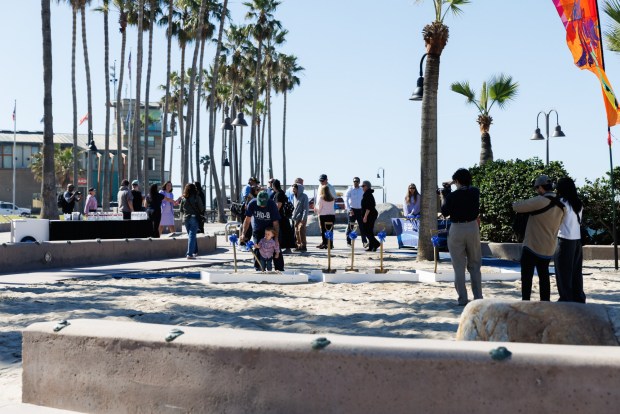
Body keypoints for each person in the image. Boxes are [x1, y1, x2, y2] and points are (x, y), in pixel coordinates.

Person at [513, 175, 565, 301]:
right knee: (544, 276)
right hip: (549, 247)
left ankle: (526, 302)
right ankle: (545, 302)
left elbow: (517, 206)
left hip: (532, 245)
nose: (537, 190)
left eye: (537, 187)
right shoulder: (562, 205)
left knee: (527, 277)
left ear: (541, 187)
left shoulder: (539, 201)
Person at [440, 168, 483, 306]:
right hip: (472, 227)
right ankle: (478, 297)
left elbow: (445, 212)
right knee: (475, 265)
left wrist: (444, 194)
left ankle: (463, 299)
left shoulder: (452, 196)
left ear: (457, 181)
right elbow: (467, 188)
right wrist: (454, 182)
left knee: (458, 267)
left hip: (457, 228)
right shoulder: (475, 192)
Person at [553, 177, 586, 303]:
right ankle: (579, 298)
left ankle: (566, 299)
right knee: (576, 272)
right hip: (577, 241)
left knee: (563, 273)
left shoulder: (561, 203)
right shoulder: (578, 203)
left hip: (564, 240)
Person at [240, 191, 283, 270]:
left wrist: (276, 238)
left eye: (264, 204)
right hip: (258, 228)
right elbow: (247, 220)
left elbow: (276, 223)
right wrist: (243, 234)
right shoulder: (252, 203)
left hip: (270, 228)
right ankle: (258, 268)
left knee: (276, 247)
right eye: (260, 203)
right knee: (257, 247)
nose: (262, 206)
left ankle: (279, 268)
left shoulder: (272, 204)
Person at [179, 183, 204, 259]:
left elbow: (181, 209)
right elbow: (201, 208)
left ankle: (195, 252)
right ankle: (189, 254)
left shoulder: (183, 198)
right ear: (194, 189)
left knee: (191, 236)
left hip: (186, 218)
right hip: (194, 217)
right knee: (192, 236)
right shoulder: (196, 197)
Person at [271, 179, 296, 254]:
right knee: (285, 231)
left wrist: (274, 214)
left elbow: (278, 205)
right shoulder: (280, 193)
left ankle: (286, 248)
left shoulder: (279, 194)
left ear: (274, 186)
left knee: (283, 232)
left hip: (281, 216)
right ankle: (285, 247)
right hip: (283, 216)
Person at [344, 177, 367, 247]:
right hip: (352, 210)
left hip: (360, 210)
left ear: (359, 182)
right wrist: (349, 209)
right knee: (350, 226)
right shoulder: (350, 189)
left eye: (357, 181)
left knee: (362, 226)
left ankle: (364, 242)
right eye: (354, 181)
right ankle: (348, 242)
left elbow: (365, 199)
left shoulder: (361, 190)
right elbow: (346, 199)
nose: (355, 182)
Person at [361, 180, 380, 252]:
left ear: (367, 186)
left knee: (367, 231)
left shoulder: (368, 194)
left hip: (370, 215)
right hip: (370, 214)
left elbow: (369, 207)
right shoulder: (367, 193)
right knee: (369, 231)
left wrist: (365, 217)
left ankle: (376, 243)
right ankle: (372, 246)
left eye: (363, 186)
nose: (362, 187)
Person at [314, 184, 335, 249]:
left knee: (323, 230)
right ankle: (330, 244)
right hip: (331, 215)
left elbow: (320, 208)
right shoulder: (332, 198)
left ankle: (325, 243)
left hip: (323, 215)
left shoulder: (321, 198)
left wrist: (316, 210)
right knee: (330, 230)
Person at [291, 183, 309, 252]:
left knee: (301, 230)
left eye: (295, 189)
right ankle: (299, 245)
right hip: (296, 217)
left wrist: (304, 218)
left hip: (302, 217)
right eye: (293, 189)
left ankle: (303, 245)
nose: (293, 190)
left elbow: (305, 208)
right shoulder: (294, 197)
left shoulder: (304, 196)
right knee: (296, 231)